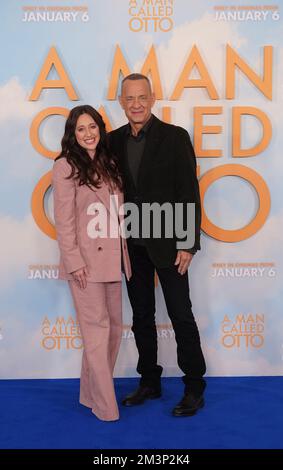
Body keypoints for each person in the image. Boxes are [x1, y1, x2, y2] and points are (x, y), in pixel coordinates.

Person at [109, 73, 206, 417]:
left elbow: (188, 193)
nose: (136, 104)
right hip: (131, 245)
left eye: (141, 97)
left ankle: (194, 386)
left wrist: (188, 243)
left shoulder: (175, 137)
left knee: (181, 314)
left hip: (169, 243)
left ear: (152, 99)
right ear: (121, 102)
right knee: (141, 317)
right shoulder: (112, 141)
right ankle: (149, 381)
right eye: (129, 99)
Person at [52, 105, 131, 421]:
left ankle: (89, 394)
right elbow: (64, 220)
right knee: (96, 335)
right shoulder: (64, 166)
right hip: (85, 262)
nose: (88, 133)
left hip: (114, 259)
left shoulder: (109, 162)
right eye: (80, 129)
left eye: (92, 127)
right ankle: (105, 406)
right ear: (72, 134)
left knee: (112, 332)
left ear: (100, 128)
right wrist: (73, 261)